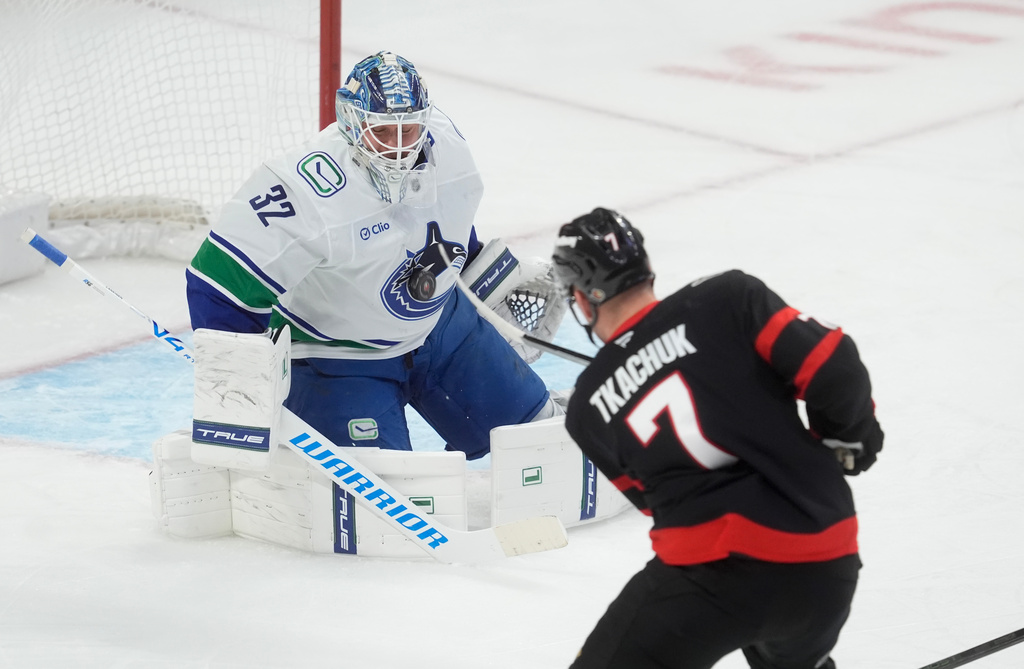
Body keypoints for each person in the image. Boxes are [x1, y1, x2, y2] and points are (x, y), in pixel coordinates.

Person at [185, 51, 563, 460]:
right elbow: (217, 285)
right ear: (351, 124)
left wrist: (475, 270)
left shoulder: (448, 146)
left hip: (441, 328)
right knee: (383, 496)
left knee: (542, 440)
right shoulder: (303, 191)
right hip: (334, 355)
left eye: (409, 132)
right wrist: (238, 395)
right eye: (383, 132)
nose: (399, 149)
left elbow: (447, 218)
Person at [551, 207, 883, 669]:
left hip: (714, 578)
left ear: (583, 299)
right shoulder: (727, 298)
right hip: (827, 562)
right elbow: (834, 365)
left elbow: (655, 502)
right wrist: (848, 440)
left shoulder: (587, 408)